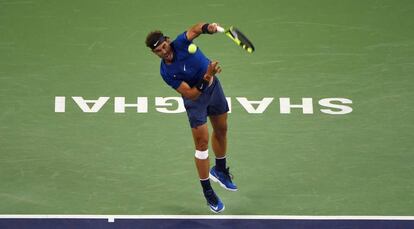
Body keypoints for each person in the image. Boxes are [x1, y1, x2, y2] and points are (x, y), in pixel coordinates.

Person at [145, 23, 237, 213]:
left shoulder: (180, 43)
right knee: (202, 146)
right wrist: (207, 76)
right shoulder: (166, 72)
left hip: (214, 89)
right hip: (196, 100)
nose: (163, 51)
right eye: (158, 51)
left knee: (222, 129)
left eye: (163, 46)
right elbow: (191, 94)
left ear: (167, 41)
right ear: (155, 54)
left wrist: (207, 27)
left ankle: (220, 170)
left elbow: (194, 30)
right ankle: (208, 192)